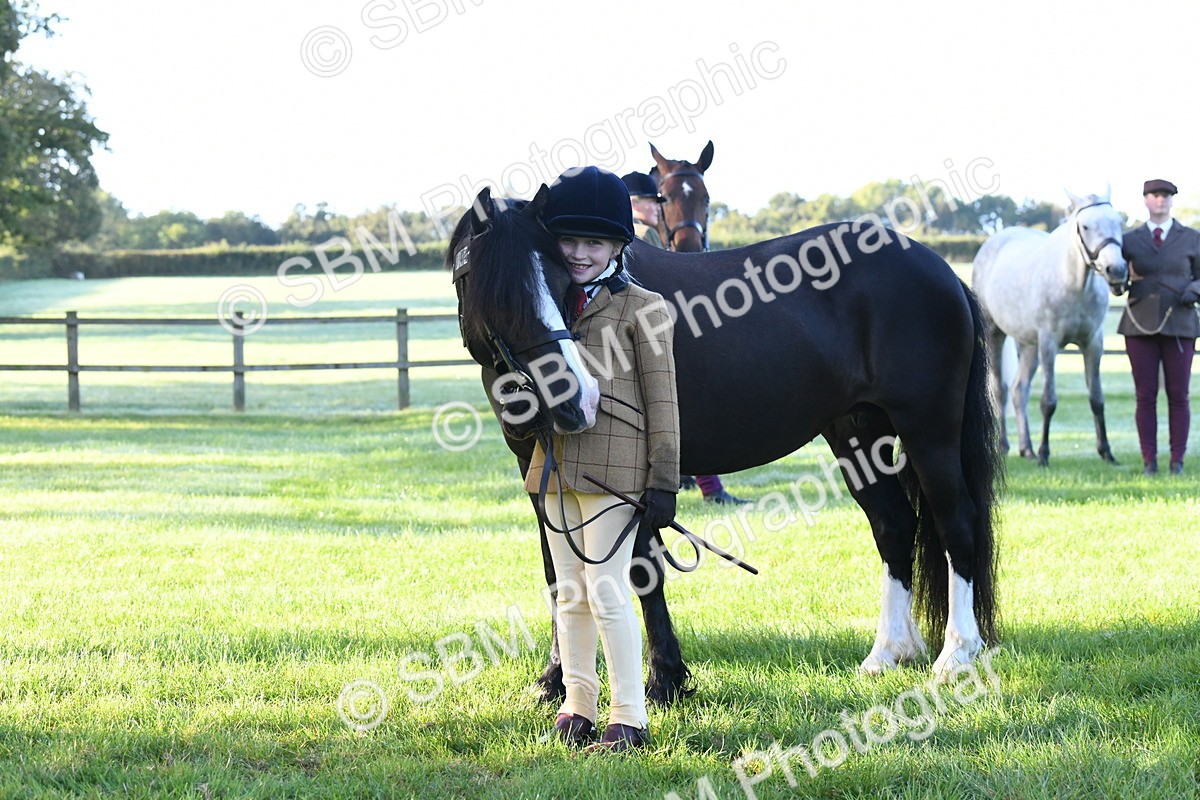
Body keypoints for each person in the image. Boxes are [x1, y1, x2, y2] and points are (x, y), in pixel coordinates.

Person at [525, 165, 680, 753]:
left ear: (618, 245)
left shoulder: (645, 307)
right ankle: (578, 701)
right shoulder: (547, 306)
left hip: (618, 470)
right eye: (570, 241)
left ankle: (630, 715)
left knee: (608, 590)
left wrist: (663, 480)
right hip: (556, 466)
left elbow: (663, 403)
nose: (581, 253)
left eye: (595, 242)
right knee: (568, 591)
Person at [621, 170, 750, 505]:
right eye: (654, 203)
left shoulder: (643, 235)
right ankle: (709, 488)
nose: (658, 209)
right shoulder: (642, 237)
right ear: (636, 203)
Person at [1118, 178, 1200, 476]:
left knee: (1179, 394)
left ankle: (1177, 460)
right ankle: (1149, 461)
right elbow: (1116, 277)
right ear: (1145, 200)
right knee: (1145, 395)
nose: (1161, 200)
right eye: (1155, 195)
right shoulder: (1128, 240)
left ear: (1171, 200)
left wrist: (1195, 289)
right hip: (1139, 325)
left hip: (1180, 323)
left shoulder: (1192, 238)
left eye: (1166, 195)